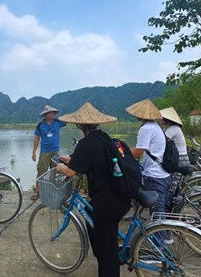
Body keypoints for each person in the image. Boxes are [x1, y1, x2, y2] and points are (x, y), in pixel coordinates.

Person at [55, 102, 131, 277]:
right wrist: (72, 159)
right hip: (120, 195)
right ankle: (103, 249)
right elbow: (90, 160)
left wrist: (61, 167)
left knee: (108, 253)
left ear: (81, 125)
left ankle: (107, 258)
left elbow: (71, 172)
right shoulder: (104, 138)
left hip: (108, 202)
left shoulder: (86, 143)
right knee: (90, 212)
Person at [126, 99, 172, 242]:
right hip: (164, 173)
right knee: (161, 210)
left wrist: (121, 153)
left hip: (154, 175)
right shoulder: (156, 126)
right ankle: (166, 238)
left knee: (157, 213)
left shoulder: (146, 129)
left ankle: (159, 249)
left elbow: (139, 153)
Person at [31, 105, 66, 200]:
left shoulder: (58, 123)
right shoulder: (40, 125)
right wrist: (34, 152)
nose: (51, 114)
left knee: (53, 171)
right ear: (45, 114)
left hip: (55, 152)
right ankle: (37, 191)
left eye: (52, 112)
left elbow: (67, 120)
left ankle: (50, 189)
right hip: (44, 152)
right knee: (41, 172)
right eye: (49, 112)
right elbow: (37, 138)